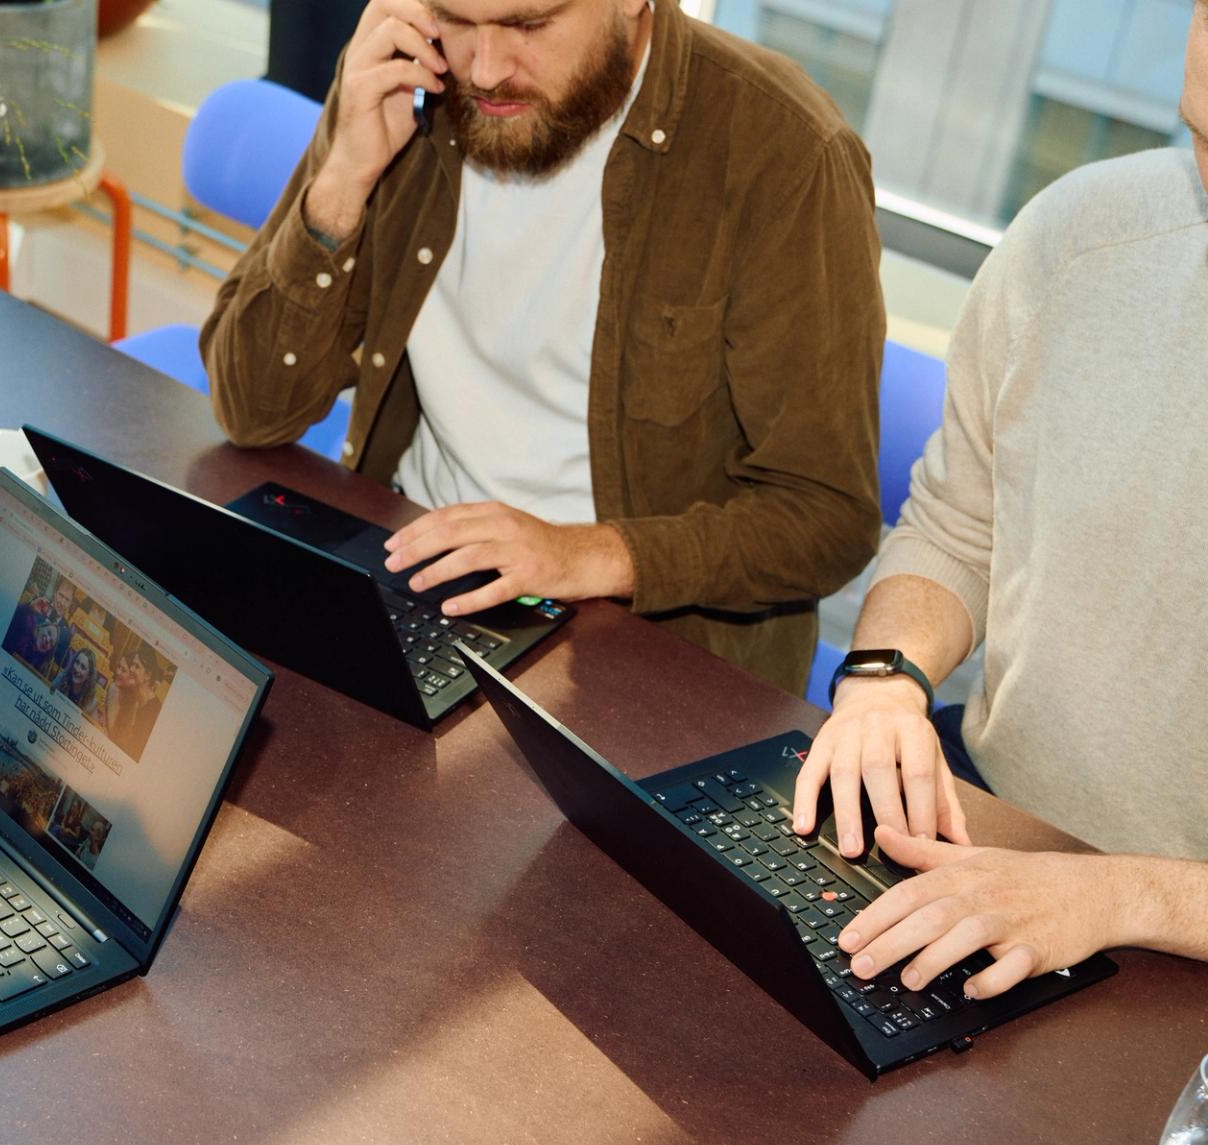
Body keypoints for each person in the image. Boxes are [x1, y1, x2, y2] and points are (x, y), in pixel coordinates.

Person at [202, 0, 885, 692]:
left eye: (529, 26)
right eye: (457, 21)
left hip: (645, 648)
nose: (487, 71)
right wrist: (345, 175)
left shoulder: (784, 151)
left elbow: (827, 517)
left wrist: (587, 554)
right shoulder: (410, 78)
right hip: (416, 565)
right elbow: (252, 409)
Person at [786, 7, 1208, 1002]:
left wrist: (1114, 897)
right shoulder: (1080, 232)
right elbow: (957, 521)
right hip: (982, 820)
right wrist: (887, 678)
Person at [104, 647, 165, 760]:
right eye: (132, 665)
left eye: (136, 666)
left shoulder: (154, 711)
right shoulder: (137, 701)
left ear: (148, 675)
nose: (131, 669)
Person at [49, 645, 100, 717]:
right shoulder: (62, 678)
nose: (77, 669)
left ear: (88, 676)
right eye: (77, 662)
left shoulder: (91, 702)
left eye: (83, 667)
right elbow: (48, 696)